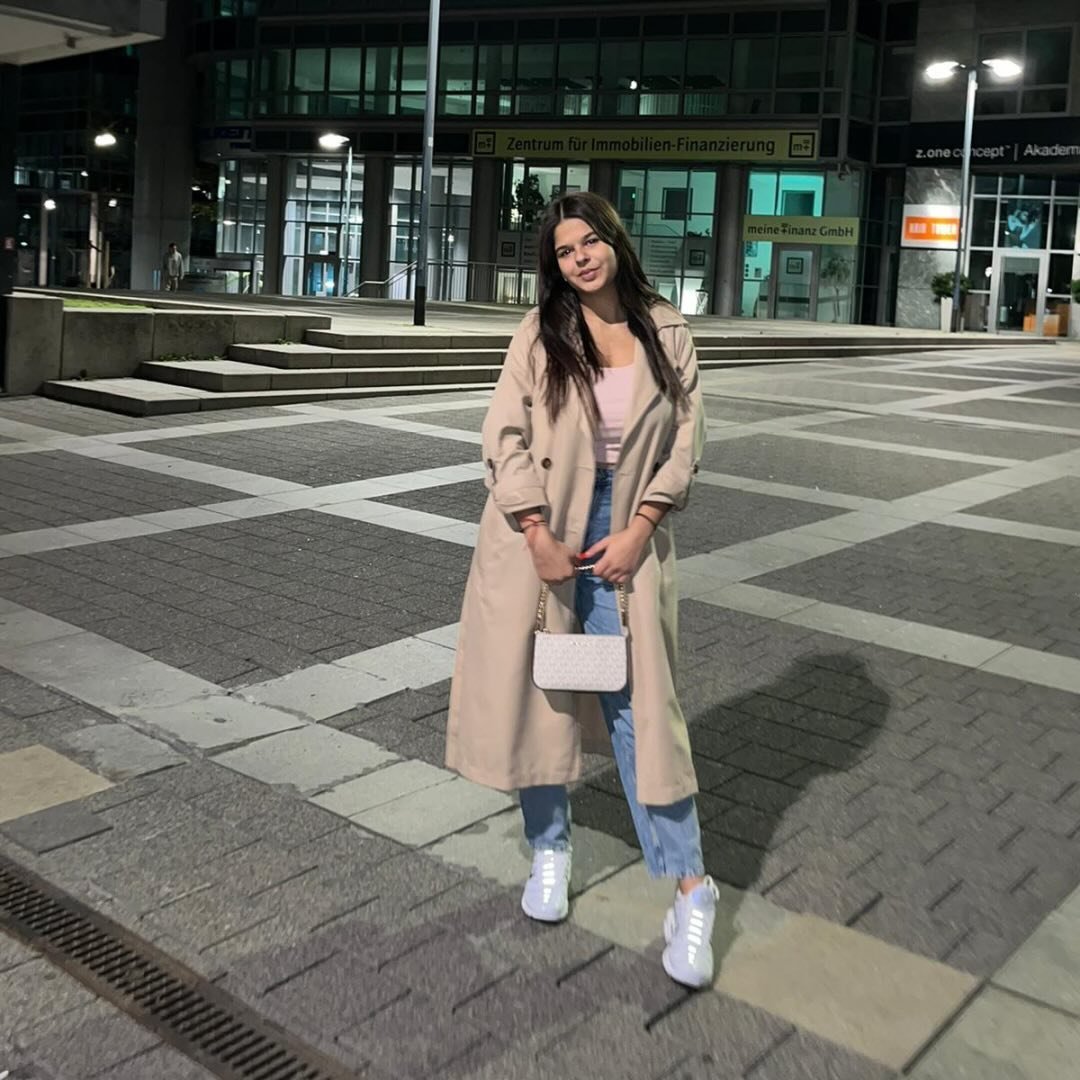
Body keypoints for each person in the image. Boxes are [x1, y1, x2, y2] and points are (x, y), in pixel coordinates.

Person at [446, 192, 717, 989]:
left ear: (615, 242)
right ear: (555, 266)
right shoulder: (540, 333)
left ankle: (690, 888)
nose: (581, 258)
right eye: (566, 251)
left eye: (591, 241)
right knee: (548, 697)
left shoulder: (666, 329)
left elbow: (687, 441)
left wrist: (641, 527)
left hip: (625, 538)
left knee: (641, 713)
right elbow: (505, 436)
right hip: (543, 535)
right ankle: (550, 850)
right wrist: (535, 533)